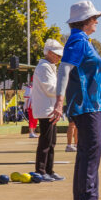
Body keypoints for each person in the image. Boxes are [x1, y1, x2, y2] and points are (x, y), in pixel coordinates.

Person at [49, 0, 101, 200]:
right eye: (94, 18)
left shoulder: (83, 40)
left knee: (87, 149)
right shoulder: (77, 41)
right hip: (86, 104)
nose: (97, 21)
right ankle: (88, 199)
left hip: (90, 104)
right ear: (85, 21)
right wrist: (59, 101)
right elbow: (64, 70)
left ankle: (81, 199)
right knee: (92, 149)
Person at [31, 39, 65, 181]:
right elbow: (50, 89)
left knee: (51, 142)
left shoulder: (50, 67)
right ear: (49, 53)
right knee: (45, 142)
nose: (59, 57)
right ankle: (41, 171)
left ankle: (49, 170)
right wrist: (65, 88)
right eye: (57, 54)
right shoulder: (44, 67)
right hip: (46, 110)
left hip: (50, 109)